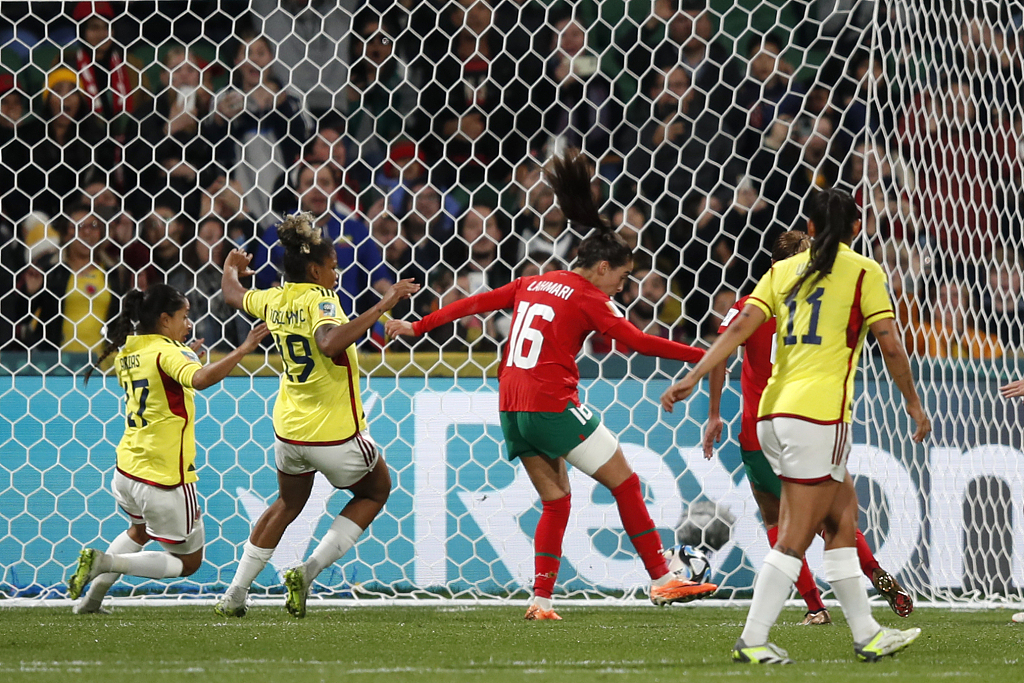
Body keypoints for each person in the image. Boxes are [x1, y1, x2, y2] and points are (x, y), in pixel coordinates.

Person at [387, 149, 717, 620]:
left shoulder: (533, 281)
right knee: (626, 484)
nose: (622, 288)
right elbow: (640, 343)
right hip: (549, 404)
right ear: (602, 267)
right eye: (622, 278)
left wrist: (418, 327)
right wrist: (707, 355)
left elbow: (475, 303)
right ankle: (663, 580)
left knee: (557, 501)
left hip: (512, 408)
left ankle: (541, 600)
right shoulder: (590, 299)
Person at [661, 188, 930, 664]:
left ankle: (867, 631)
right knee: (794, 536)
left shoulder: (780, 271)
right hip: (818, 417)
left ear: (809, 228)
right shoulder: (864, 271)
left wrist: (694, 377)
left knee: (843, 518)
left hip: (769, 415)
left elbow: (739, 327)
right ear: (855, 228)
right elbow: (889, 343)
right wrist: (912, 403)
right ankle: (753, 638)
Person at [701, 230, 913, 626]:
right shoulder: (825, 305)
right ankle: (874, 574)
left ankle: (815, 607)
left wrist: (714, 414)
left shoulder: (752, 305)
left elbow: (719, 355)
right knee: (834, 517)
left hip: (760, 427)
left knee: (776, 521)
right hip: (814, 420)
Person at [213, 212, 419, 618]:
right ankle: (306, 574)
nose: (336, 274)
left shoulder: (274, 298)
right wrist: (385, 303)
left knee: (286, 505)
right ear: (313, 269)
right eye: (333, 267)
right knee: (376, 491)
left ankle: (235, 593)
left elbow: (233, 295)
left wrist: (230, 268)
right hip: (336, 434)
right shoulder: (320, 300)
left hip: (289, 433)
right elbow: (327, 344)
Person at [68, 284, 268, 612]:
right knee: (188, 563)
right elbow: (199, 380)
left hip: (127, 471)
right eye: (184, 316)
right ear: (164, 320)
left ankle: (90, 602)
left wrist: (189, 357)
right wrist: (243, 348)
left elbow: (164, 382)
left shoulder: (128, 350)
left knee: (139, 529)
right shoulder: (169, 353)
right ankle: (106, 563)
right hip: (164, 476)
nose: (189, 324)